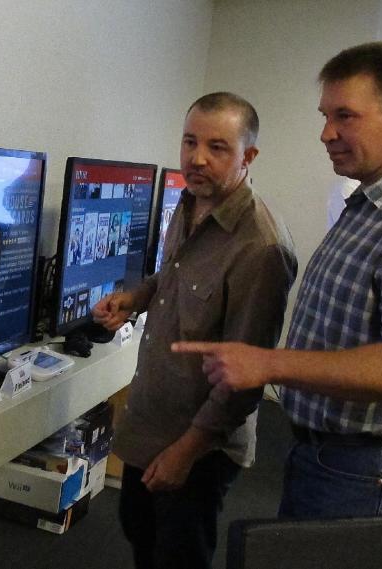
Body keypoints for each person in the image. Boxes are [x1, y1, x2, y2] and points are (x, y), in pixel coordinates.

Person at [172, 42, 382, 518]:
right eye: (325, 116)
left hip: (374, 472)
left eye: (345, 116)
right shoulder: (370, 204)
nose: (326, 133)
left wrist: (268, 364)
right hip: (332, 459)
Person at [92, 92, 297, 569]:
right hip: (150, 423)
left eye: (218, 147)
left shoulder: (260, 248)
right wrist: (136, 298)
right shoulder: (189, 203)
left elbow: (245, 378)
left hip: (199, 445)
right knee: (140, 534)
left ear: (249, 156)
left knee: (179, 557)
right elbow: (173, 278)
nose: (197, 158)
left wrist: (186, 453)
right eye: (190, 142)